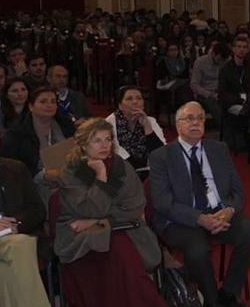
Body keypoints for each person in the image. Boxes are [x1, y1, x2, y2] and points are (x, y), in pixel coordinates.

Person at [149, 102, 250, 307]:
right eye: (189, 118)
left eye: (200, 118)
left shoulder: (218, 148)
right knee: (198, 250)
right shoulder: (161, 156)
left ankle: (228, 293)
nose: (196, 123)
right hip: (181, 219)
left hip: (219, 213)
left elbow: (238, 190)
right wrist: (199, 218)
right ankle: (211, 300)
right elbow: (163, 203)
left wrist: (228, 209)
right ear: (178, 125)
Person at [54, 118, 166, 307]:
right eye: (97, 140)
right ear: (83, 145)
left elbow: (135, 207)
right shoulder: (71, 171)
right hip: (77, 236)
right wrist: (100, 177)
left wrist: (96, 222)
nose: (104, 145)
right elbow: (89, 209)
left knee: (119, 248)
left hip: (126, 227)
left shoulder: (121, 166)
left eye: (108, 139)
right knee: (116, 248)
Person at [0, 118, 51, 307]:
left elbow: (37, 209)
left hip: (14, 238)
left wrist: (15, 224)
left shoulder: (15, 168)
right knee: (21, 246)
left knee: (3, 272)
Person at [105, 86, 164, 171]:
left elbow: (161, 152)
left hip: (148, 170)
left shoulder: (150, 121)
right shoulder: (109, 123)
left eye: (139, 98)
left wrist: (147, 127)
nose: (135, 102)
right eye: (129, 99)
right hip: (121, 170)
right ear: (120, 105)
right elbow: (114, 151)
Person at [191, 41, 228, 126]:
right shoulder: (200, 62)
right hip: (205, 93)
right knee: (213, 102)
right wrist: (210, 94)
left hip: (220, 91)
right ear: (213, 54)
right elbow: (194, 85)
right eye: (219, 59)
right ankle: (224, 127)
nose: (221, 62)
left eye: (223, 60)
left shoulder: (225, 62)